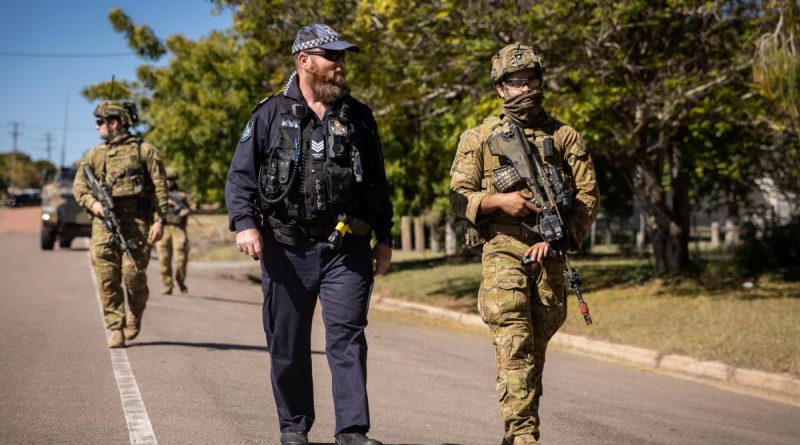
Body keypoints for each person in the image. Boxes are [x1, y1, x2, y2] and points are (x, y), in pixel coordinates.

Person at [225, 23, 393, 445]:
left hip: (346, 247)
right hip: (286, 246)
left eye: (343, 57)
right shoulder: (268, 115)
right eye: (332, 57)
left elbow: (377, 182)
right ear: (304, 61)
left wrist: (385, 238)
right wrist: (245, 224)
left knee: (347, 336)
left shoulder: (358, 116)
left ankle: (352, 430)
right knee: (288, 340)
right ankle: (294, 425)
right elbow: (240, 179)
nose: (341, 65)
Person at [449, 43, 600, 445]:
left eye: (532, 80)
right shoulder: (479, 137)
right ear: (500, 88)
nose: (526, 88)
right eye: (516, 83)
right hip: (503, 248)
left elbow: (587, 198)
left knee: (534, 349)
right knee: (514, 344)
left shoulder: (565, 137)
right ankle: (522, 436)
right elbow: (458, 197)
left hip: (551, 250)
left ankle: (518, 429)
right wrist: (501, 201)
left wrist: (559, 241)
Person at [73, 100, 168, 348]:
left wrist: (160, 221)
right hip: (103, 224)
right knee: (107, 278)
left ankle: (135, 314)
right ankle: (116, 327)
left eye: (100, 122)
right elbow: (80, 188)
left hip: (136, 223)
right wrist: (94, 205)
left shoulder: (144, 151)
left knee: (133, 274)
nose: (97, 128)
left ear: (114, 122)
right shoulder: (94, 155)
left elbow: (159, 190)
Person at [157, 167, 191, 295]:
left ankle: (180, 280)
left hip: (178, 228)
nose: (168, 182)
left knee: (181, 258)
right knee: (163, 259)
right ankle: (167, 285)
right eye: (166, 179)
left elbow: (192, 206)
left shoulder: (182, 195)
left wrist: (185, 211)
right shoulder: (159, 193)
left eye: (171, 179)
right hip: (163, 227)